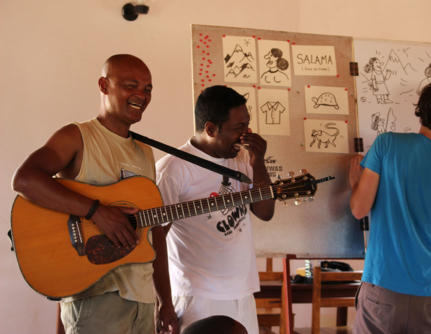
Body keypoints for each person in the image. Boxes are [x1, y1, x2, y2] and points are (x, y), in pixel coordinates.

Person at [12, 54, 174, 334]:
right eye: (130, 85)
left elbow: (154, 231)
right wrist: (97, 212)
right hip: (94, 299)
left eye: (147, 88)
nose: (141, 95)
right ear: (104, 85)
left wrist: (166, 303)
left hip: (142, 301)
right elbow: (25, 180)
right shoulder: (77, 136)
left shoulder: (145, 152)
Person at [349, 82, 431, 334]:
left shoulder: (387, 145)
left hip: (384, 288)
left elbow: (359, 210)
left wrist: (354, 182)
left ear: (421, 109)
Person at [155, 85, 275, 334]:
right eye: (237, 128)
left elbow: (265, 212)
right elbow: (155, 239)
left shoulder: (241, 158)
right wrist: (164, 301)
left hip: (242, 291)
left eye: (247, 125)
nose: (246, 135)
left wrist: (259, 162)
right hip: (198, 297)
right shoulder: (174, 169)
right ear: (210, 129)